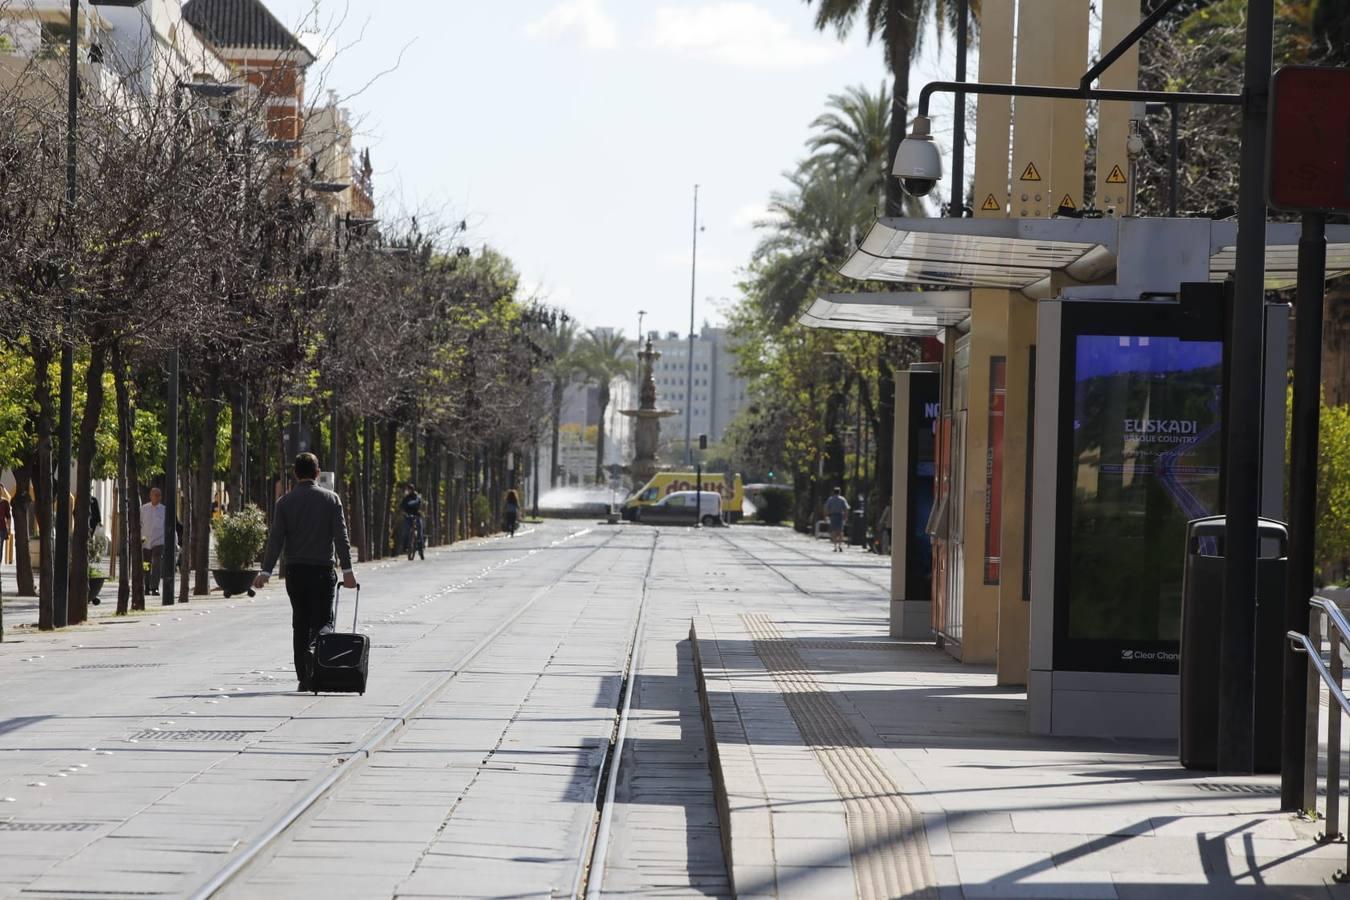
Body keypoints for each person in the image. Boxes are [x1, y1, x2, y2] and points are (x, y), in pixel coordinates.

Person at [253, 453, 357, 692]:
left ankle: (303, 677)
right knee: (324, 620)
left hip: (296, 572)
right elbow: (341, 537)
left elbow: (276, 539)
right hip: (322, 570)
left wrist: (266, 572)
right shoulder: (331, 500)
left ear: (295, 474)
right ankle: (315, 653)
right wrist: (348, 571)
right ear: (317, 473)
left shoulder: (285, 503)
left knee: (299, 621)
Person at [140, 487, 166, 595]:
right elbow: (140, 523)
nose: (157, 497)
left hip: (158, 541)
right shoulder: (144, 509)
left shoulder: (164, 510)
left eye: (159, 495)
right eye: (155, 495)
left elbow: (167, 526)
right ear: (150, 496)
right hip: (145, 541)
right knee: (146, 564)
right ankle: (146, 586)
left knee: (156, 564)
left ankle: (155, 587)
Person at [399, 483, 424, 560]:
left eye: (410, 489)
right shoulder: (406, 498)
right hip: (408, 517)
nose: (408, 491)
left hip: (416, 516)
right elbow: (401, 506)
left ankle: (420, 549)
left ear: (413, 490)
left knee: (420, 533)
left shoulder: (417, 497)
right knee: (405, 532)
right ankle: (406, 548)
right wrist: (403, 512)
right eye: (408, 489)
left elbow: (419, 504)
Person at [824, 487, 850, 553]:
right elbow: (846, 508)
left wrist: (826, 515)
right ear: (839, 492)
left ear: (833, 492)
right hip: (840, 516)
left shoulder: (830, 499)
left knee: (833, 531)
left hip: (833, 516)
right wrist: (846, 517)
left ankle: (835, 546)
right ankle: (840, 545)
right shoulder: (842, 499)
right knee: (840, 531)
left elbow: (826, 507)